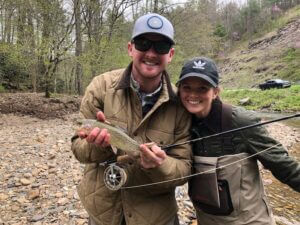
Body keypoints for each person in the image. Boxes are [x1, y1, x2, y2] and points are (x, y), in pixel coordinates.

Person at [71, 13, 192, 225]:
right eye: (143, 43)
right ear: (130, 49)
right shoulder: (101, 87)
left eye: (161, 47)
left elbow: (184, 169)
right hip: (104, 214)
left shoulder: (180, 104)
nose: (151, 53)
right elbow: (78, 150)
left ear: (170, 54)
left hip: (157, 218)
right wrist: (99, 146)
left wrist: (160, 165)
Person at [176, 56, 300, 225]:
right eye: (187, 87)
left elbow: (285, 166)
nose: (193, 95)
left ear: (216, 92)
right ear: (179, 90)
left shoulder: (241, 121)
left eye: (202, 88)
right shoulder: (180, 123)